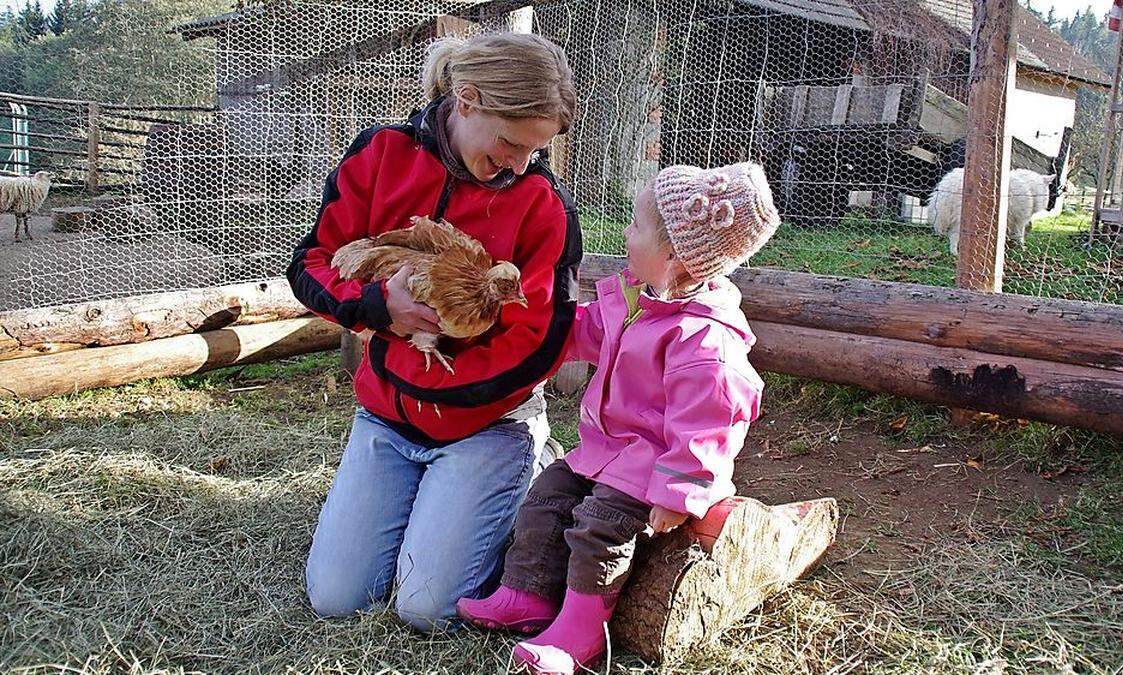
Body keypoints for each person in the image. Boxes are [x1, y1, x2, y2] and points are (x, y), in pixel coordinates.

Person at [286, 32, 580, 632]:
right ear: (466, 100)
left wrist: (425, 386)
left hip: (486, 424)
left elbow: (540, 341)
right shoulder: (381, 155)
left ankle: (528, 469)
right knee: (338, 597)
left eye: (536, 150)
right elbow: (312, 262)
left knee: (428, 608)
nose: (521, 163)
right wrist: (375, 307)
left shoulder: (541, 203)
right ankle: (440, 501)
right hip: (386, 422)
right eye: (511, 142)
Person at [457, 162, 780, 673]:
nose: (626, 235)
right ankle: (527, 594)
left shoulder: (704, 340)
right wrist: (536, 332)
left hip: (651, 466)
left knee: (599, 527)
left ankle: (581, 631)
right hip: (603, 452)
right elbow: (585, 333)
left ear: (674, 256)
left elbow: (711, 425)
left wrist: (679, 493)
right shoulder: (636, 298)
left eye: (635, 227)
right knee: (547, 496)